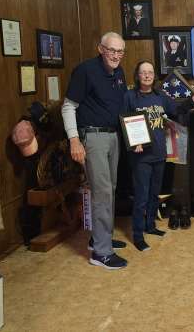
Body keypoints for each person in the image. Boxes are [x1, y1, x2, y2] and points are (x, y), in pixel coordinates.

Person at [61, 32, 128, 270]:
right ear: (100, 49)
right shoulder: (85, 71)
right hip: (93, 137)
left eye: (120, 51)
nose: (116, 56)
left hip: (113, 136)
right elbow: (68, 107)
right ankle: (101, 253)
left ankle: (100, 238)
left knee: (110, 190)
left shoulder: (119, 72)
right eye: (112, 50)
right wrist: (74, 140)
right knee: (102, 193)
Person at [123, 60, 194, 251]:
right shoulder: (130, 96)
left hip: (159, 153)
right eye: (143, 72)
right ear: (137, 75)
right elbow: (123, 121)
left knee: (153, 193)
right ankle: (138, 235)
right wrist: (133, 142)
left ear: (154, 76)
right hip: (140, 155)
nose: (147, 75)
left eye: (150, 72)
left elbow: (177, 110)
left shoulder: (160, 96)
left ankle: (150, 226)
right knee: (141, 196)